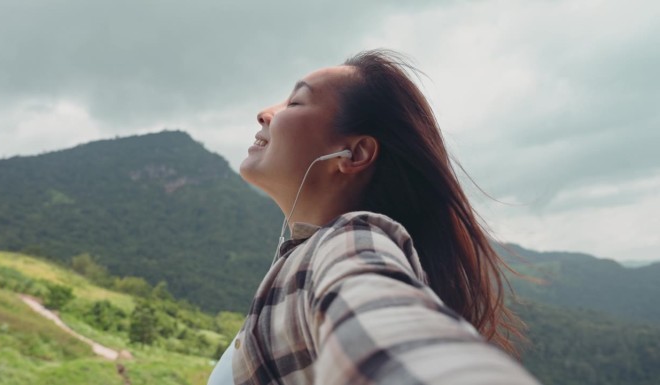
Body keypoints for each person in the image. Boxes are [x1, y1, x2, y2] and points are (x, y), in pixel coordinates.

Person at [208, 49, 540, 384]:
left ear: (355, 153)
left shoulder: (348, 241)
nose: (264, 114)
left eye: (295, 103)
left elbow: (388, 329)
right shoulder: (295, 266)